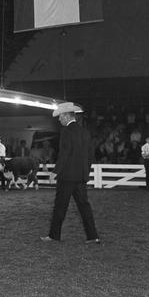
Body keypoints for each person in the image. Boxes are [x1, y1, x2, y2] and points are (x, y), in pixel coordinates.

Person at [41, 102, 100, 244]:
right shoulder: (85, 132)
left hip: (67, 177)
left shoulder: (66, 132)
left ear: (67, 116)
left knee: (60, 206)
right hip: (81, 176)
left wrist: (55, 172)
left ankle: (54, 235)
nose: (59, 119)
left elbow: (64, 154)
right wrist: (85, 171)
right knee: (84, 207)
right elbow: (90, 156)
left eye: (60, 116)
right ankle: (93, 236)